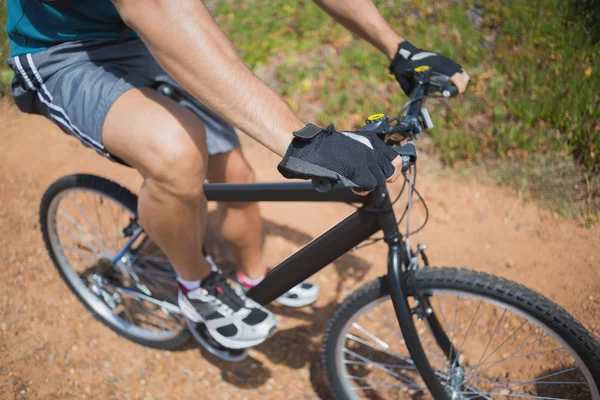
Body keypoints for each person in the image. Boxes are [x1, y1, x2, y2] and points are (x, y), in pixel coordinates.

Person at [5, 0, 469, 349]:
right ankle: (196, 284)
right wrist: (304, 141)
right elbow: (154, 8)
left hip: (141, 35)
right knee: (176, 153)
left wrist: (399, 47)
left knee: (237, 171)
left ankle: (251, 278)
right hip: (64, 52)